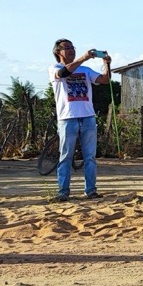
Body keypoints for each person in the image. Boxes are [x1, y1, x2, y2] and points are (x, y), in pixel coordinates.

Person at [49, 39, 110, 201]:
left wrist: (106, 64)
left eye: (72, 48)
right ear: (58, 52)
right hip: (67, 118)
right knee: (66, 156)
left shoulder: (86, 70)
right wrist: (83, 58)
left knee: (89, 156)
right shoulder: (55, 68)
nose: (71, 50)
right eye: (66, 48)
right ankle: (63, 191)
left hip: (88, 116)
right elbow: (62, 74)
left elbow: (104, 80)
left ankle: (90, 190)